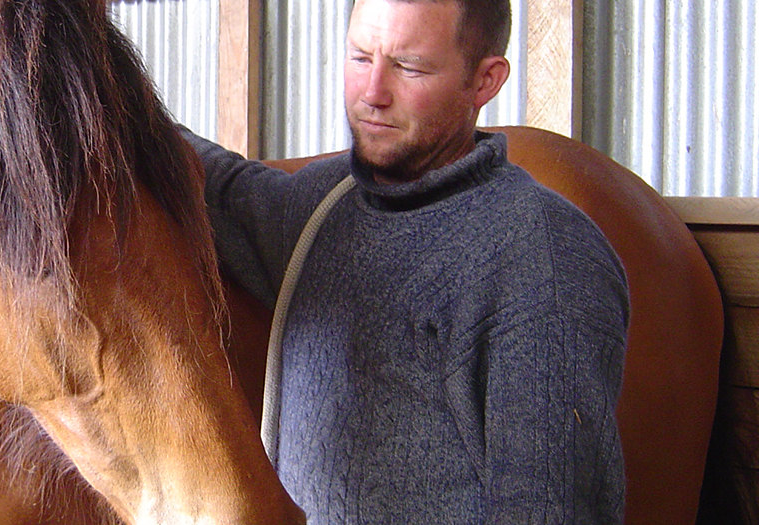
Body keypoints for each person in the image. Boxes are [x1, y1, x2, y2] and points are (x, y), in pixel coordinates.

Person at [180, 0, 629, 522]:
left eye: (409, 66)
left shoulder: (543, 256)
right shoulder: (323, 207)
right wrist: (101, 89)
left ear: (485, 81)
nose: (372, 94)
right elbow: (220, 184)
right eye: (359, 58)